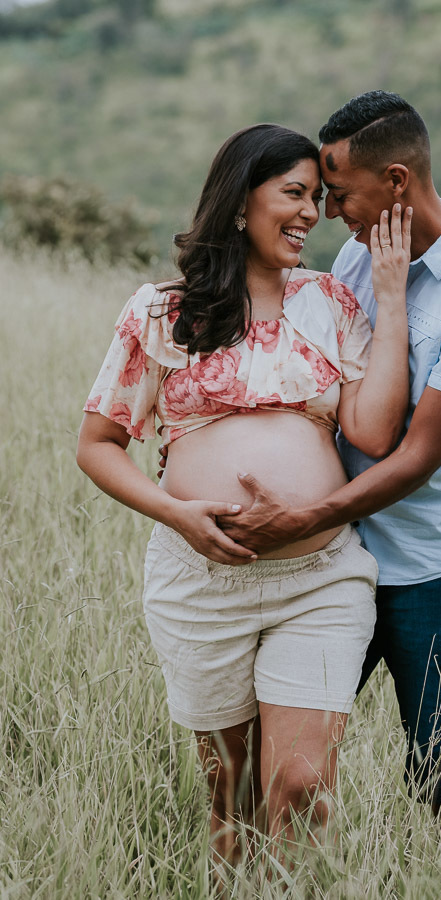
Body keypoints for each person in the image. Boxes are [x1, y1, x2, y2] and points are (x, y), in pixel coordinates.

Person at [76, 123, 413, 867]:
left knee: (299, 786)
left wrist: (390, 300)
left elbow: (377, 432)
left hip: (317, 582)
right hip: (201, 583)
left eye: (317, 198)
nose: (309, 214)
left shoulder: (328, 301)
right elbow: (97, 446)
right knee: (229, 799)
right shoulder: (161, 314)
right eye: (293, 193)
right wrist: (178, 515)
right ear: (238, 203)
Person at [216, 93, 441, 850]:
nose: (330, 216)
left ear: (396, 180)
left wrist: (299, 518)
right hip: (336, 564)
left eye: (341, 194)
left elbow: (415, 457)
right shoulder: (361, 253)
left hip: (434, 570)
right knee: (283, 755)